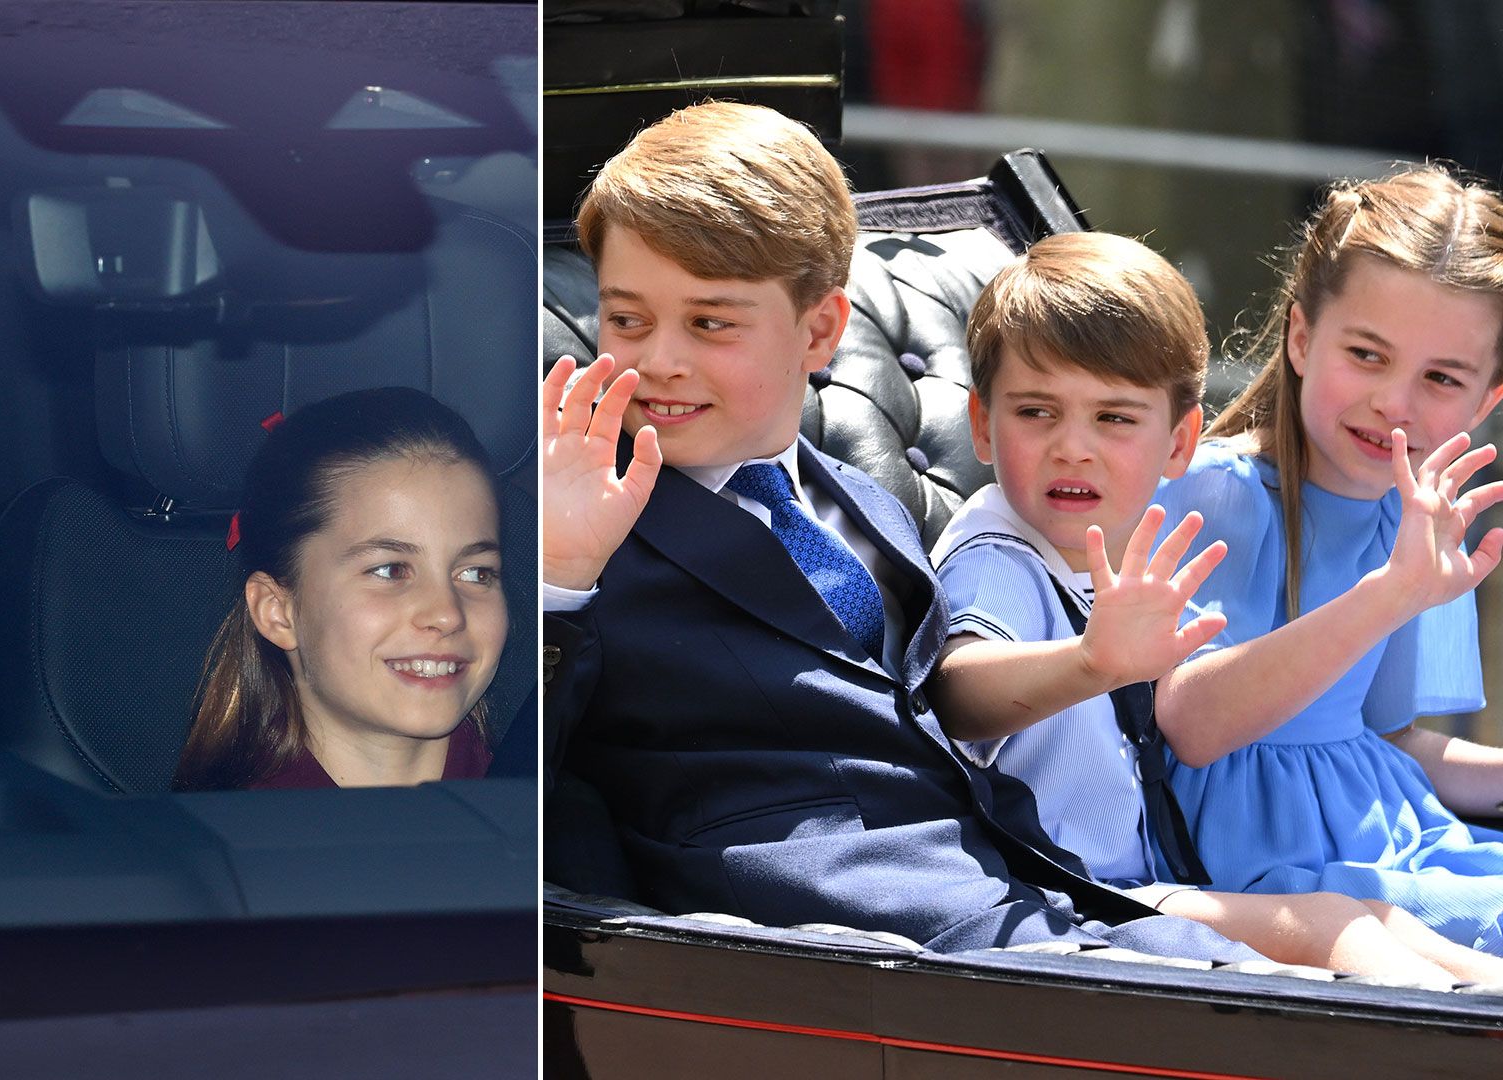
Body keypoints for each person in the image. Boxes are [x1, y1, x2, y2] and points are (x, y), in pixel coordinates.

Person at [542, 100, 1255, 961]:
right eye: (627, 320)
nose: (659, 358)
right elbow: (479, 773)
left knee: (1331, 979)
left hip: (1010, 878)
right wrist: (562, 575)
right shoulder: (579, 512)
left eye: (710, 322)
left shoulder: (861, 500)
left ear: (820, 331)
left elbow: (930, 709)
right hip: (822, 921)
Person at [930, 230, 1503, 986]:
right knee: (1347, 924)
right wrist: (1089, 661)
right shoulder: (1021, 545)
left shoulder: (1408, 519)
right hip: (1121, 885)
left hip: (1220, 866)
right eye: (1037, 412)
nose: (1074, 448)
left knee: (1394, 936)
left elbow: (1386, 740)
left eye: (1113, 419)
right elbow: (957, 691)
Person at [1149, 164, 1503, 953]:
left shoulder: (1417, 517)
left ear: (1484, 404)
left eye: (1441, 378)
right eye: (1368, 355)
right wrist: (1391, 592)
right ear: (1303, 338)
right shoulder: (1217, 493)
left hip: (1403, 843)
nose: (1395, 403)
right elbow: (1191, 725)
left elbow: (1388, 741)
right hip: (1284, 875)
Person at [172, 387, 506, 791]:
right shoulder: (225, 838)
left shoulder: (532, 793)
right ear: (278, 611)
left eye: (476, 574)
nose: (447, 614)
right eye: (390, 570)